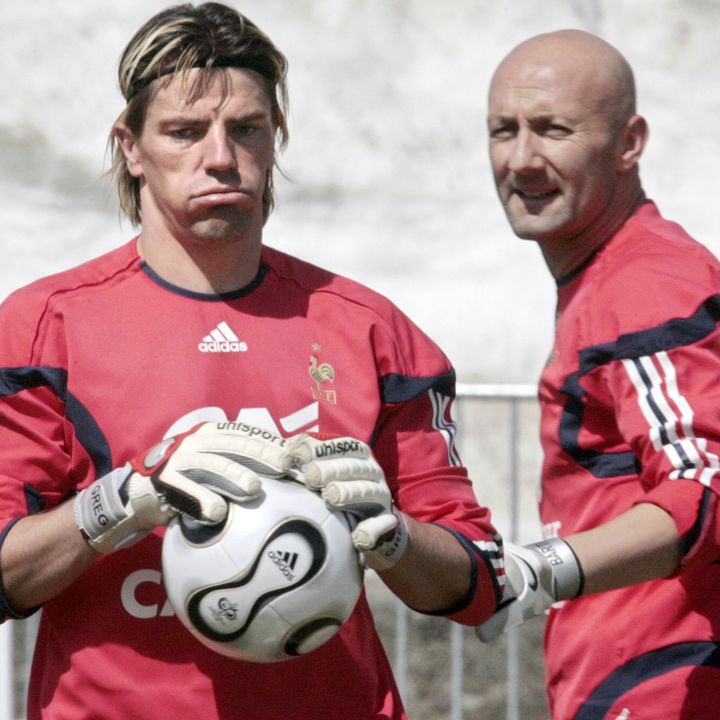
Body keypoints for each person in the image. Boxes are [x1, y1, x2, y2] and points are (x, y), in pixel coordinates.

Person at [0, 4, 506, 719]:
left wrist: (394, 536)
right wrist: (117, 504)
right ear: (132, 146)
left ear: (277, 139)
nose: (219, 156)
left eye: (246, 129)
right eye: (183, 131)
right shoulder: (41, 329)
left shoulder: (371, 331)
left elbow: (480, 580)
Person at [476, 28, 720, 720]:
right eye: (504, 130)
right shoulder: (613, 279)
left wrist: (538, 570)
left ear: (629, 143)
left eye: (553, 130)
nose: (522, 159)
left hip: (665, 682)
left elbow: (705, 487)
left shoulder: (644, 285)